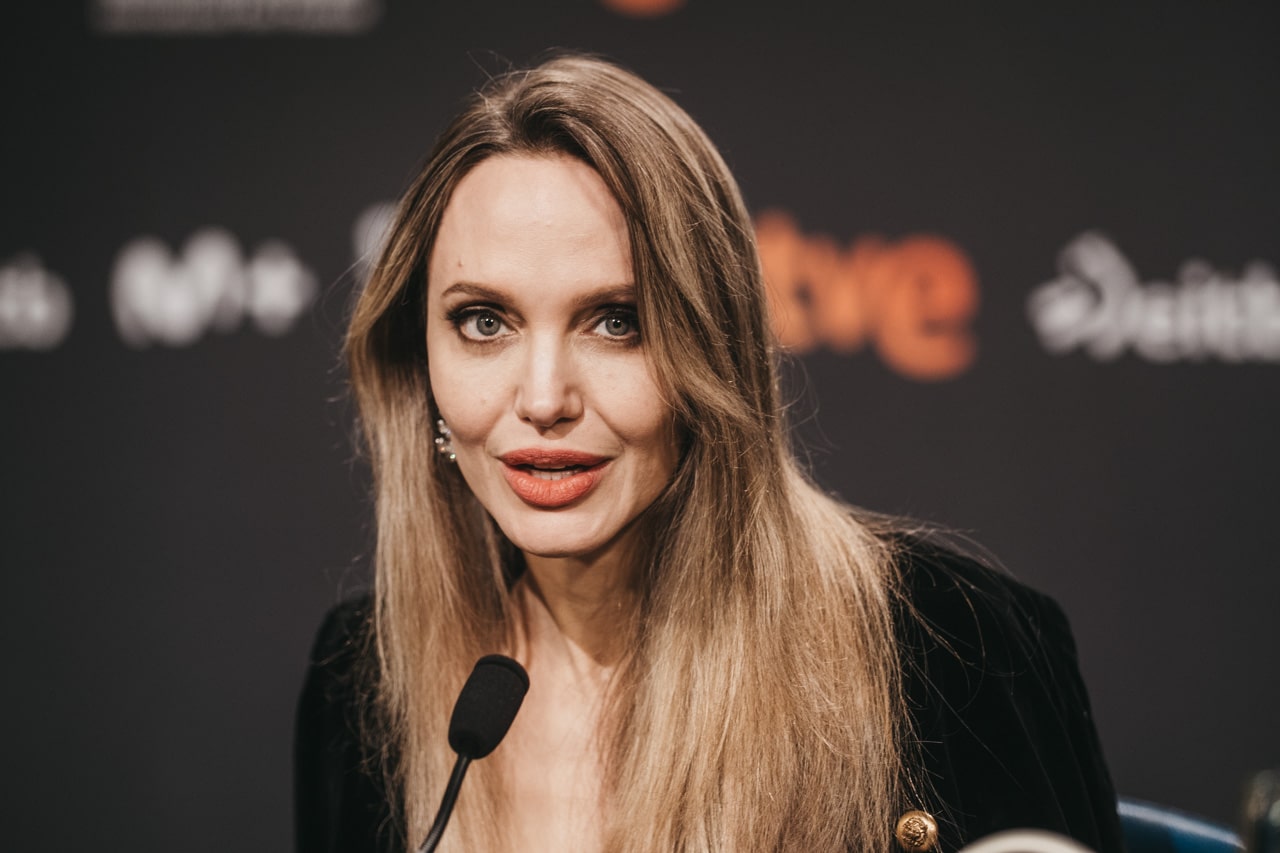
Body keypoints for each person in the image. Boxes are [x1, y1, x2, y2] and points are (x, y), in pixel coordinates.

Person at [295, 54, 1123, 853]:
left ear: (713, 348)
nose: (543, 399)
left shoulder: (955, 651)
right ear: (418, 360)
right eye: (484, 322)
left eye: (617, 321)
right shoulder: (363, 677)